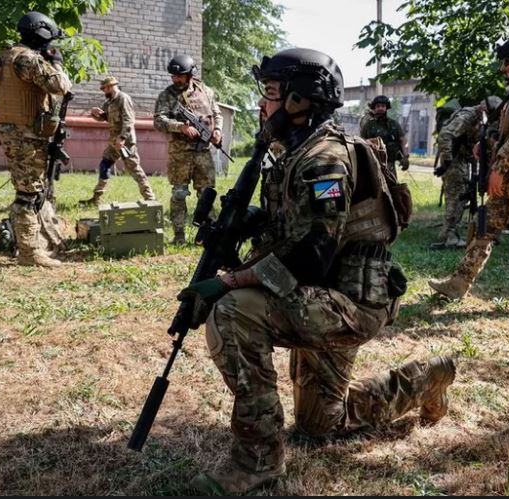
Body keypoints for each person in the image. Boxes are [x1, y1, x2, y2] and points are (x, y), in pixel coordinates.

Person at [176, 48, 456, 495]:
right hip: (316, 297)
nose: (262, 106)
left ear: (298, 100)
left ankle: (257, 460)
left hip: (348, 304)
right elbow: (296, 228)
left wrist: (229, 282)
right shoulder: (296, 151)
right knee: (320, 426)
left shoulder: (324, 159)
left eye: (270, 94)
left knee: (232, 310)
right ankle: (428, 377)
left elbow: (314, 253)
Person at [428, 33, 509, 314]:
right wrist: (486, 143)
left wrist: (499, 168)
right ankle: (459, 283)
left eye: (508, 62)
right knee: (482, 226)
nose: (503, 68)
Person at [0, 11, 71, 268]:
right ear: (40, 34)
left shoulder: (5, 56)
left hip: (14, 134)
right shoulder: (27, 58)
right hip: (26, 137)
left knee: (30, 190)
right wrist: (57, 62)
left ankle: (36, 242)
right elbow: (60, 85)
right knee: (28, 195)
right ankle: (29, 253)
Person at [153, 55, 223, 245]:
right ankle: (179, 235)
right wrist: (180, 127)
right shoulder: (167, 95)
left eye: (180, 76)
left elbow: (216, 113)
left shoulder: (206, 91)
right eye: (173, 76)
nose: (176, 79)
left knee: (206, 193)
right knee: (179, 194)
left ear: (190, 74)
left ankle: (208, 234)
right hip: (180, 154)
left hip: (203, 152)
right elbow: (158, 121)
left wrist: (217, 130)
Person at [433, 96, 502, 248]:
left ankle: (450, 233)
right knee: (457, 195)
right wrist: (448, 160)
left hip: (465, 158)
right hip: (455, 159)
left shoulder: (482, 120)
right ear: (484, 109)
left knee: (463, 194)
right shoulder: (467, 116)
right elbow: (445, 135)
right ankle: (448, 236)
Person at [79, 76, 155, 205]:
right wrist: (94, 113)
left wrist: (122, 138)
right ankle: (96, 198)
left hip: (126, 143)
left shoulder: (123, 98)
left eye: (104, 89)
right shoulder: (109, 102)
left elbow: (129, 120)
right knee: (104, 165)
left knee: (134, 169)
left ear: (110, 87)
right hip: (114, 142)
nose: (104, 92)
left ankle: (150, 198)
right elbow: (104, 118)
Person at [360, 95, 410, 175]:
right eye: (378, 106)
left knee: (391, 184)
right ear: (374, 108)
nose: (380, 108)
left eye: (383, 106)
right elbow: (361, 142)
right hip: (372, 162)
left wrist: (405, 157)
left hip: (389, 163)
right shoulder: (368, 125)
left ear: (386, 108)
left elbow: (403, 140)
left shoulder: (394, 124)